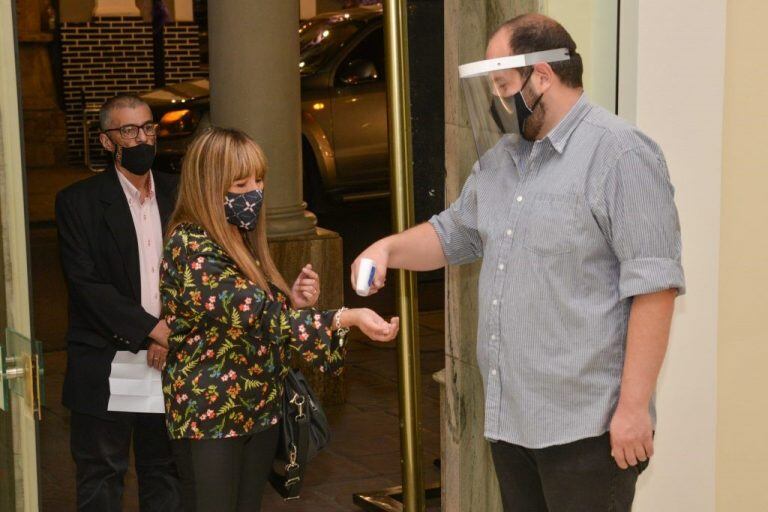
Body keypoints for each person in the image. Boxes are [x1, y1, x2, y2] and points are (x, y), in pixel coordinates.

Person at [352, 13, 685, 511]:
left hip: (587, 430)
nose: (498, 100)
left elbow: (654, 287)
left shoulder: (620, 153)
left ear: (542, 76)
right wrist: (387, 249)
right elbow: (451, 235)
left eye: (504, 85)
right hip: (512, 425)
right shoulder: (502, 161)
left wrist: (634, 409)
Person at [160, 126, 400, 512]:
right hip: (210, 415)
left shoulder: (236, 238)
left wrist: (296, 303)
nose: (254, 191)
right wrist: (346, 317)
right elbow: (260, 318)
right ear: (209, 186)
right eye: (241, 183)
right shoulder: (191, 247)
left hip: (257, 407)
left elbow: (260, 320)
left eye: (258, 180)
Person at [55, 94, 182, 511]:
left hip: (167, 360)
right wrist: (152, 328)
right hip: (105, 358)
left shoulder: (178, 194)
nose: (142, 138)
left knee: (165, 472)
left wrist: (169, 331)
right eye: (129, 131)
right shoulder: (79, 202)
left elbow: (194, 273)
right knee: (101, 475)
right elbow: (86, 284)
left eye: (148, 128)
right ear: (108, 141)